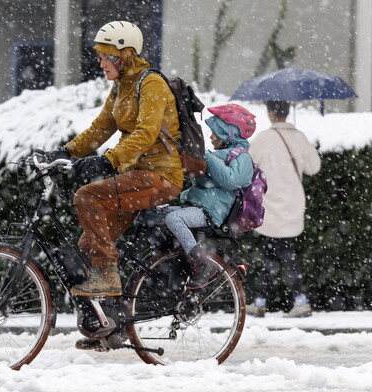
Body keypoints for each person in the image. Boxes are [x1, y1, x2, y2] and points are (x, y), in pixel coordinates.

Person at [43, 20, 183, 298]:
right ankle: (110, 327)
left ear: (125, 54)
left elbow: (145, 133)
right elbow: (101, 127)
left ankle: (108, 276)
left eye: (106, 56)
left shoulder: (151, 84)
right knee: (87, 250)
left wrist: (108, 160)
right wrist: (65, 151)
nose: (100, 63)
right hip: (135, 177)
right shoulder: (121, 87)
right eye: (99, 56)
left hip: (161, 177)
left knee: (87, 197)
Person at [165, 104, 255, 289]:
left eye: (216, 133)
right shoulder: (219, 155)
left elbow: (230, 180)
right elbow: (204, 186)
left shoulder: (243, 157)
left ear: (229, 134)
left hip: (211, 214)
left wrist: (206, 156)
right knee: (155, 216)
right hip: (200, 209)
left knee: (173, 218)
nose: (212, 137)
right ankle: (173, 270)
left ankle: (200, 263)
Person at [246, 100, 321, 318]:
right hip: (293, 203)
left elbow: (248, 165)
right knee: (276, 250)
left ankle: (297, 301)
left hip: (270, 204)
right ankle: (263, 301)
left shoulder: (263, 139)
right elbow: (314, 167)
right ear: (287, 112)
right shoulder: (299, 137)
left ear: (270, 113)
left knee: (279, 252)